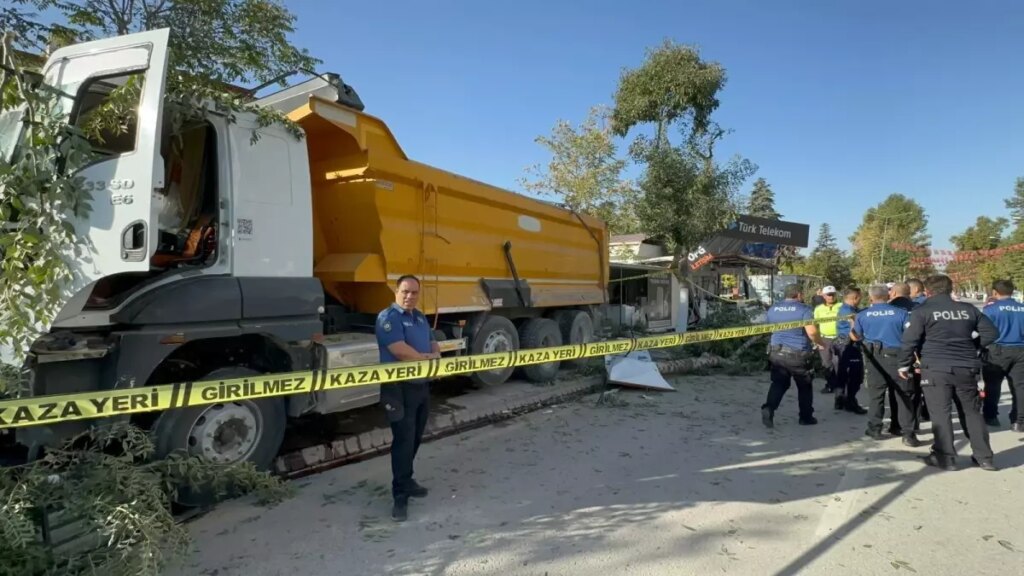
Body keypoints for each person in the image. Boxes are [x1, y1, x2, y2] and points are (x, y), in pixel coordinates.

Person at [898, 274, 999, 471]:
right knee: (972, 412)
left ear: (927, 291)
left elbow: (910, 340)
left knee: (940, 413)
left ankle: (945, 458)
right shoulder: (968, 309)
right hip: (966, 367)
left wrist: (903, 365)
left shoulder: (922, 311)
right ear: (950, 289)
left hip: (935, 368)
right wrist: (972, 346)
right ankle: (984, 457)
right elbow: (992, 333)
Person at [375, 275, 442, 521]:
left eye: (414, 292)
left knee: (415, 437)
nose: (409, 296)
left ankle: (407, 479)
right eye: (405, 291)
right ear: (396, 291)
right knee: (403, 440)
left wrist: (435, 355)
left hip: (420, 386)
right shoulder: (388, 317)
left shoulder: (420, 317)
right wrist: (428, 359)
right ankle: (400, 496)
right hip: (397, 388)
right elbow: (400, 351)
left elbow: (433, 343)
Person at [852, 285, 921, 447]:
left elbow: (856, 337)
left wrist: (851, 326)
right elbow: (911, 336)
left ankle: (875, 429)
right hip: (898, 357)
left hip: (874, 358)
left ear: (870, 297)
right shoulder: (902, 313)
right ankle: (908, 434)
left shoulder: (862, 315)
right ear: (888, 296)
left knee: (876, 395)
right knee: (904, 396)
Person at [762, 283, 826, 428]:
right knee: (804, 386)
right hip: (798, 353)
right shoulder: (804, 309)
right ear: (798, 294)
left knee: (779, 383)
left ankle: (769, 408)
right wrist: (821, 343)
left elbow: (768, 328)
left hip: (776, 353)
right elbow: (811, 331)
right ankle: (806, 417)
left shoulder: (773, 309)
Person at [981, 279, 1024, 431]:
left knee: (993, 385)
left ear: (994, 292)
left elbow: (983, 331)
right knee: (1020, 387)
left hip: (996, 350)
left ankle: (991, 416)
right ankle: (1019, 421)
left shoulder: (990, 310)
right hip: (1021, 350)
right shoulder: (1022, 308)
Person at [833, 288, 867, 413]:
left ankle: (839, 400)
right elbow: (853, 333)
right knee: (855, 375)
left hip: (841, 343)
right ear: (855, 298)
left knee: (842, 373)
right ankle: (850, 402)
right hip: (849, 344)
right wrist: (860, 340)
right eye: (860, 297)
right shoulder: (849, 312)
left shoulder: (845, 309)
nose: (861, 300)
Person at [813, 286, 843, 394]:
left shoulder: (842, 306)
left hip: (839, 338)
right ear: (824, 296)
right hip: (824, 339)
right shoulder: (818, 309)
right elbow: (815, 325)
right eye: (829, 295)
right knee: (826, 364)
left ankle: (840, 385)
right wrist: (816, 341)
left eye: (833, 294)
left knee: (838, 363)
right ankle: (830, 385)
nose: (831, 297)